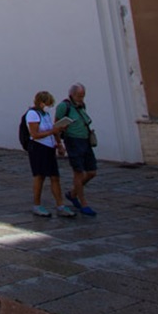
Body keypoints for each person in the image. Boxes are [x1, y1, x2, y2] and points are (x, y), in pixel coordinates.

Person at [26, 91, 74, 217]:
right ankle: (37, 205)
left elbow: (53, 130)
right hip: (38, 148)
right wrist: (52, 131)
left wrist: (59, 143)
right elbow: (35, 135)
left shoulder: (45, 114)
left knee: (54, 177)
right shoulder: (32, 114)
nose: (49, 106)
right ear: (41, 103)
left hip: (49, 148)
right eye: (48, 104)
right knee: (39, 176)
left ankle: (60, 205)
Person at [56, 83, 98, 216]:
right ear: (72, 94)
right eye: (79, 96)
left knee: (92, 172)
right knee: (78, 172)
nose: (81, 98)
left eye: (83, 96)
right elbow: (57, 125)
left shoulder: (81, 105)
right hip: (73, 141)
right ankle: (83, 202)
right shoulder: (64, 106)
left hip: (85, 140)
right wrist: (59, 144)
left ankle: (73, 193)